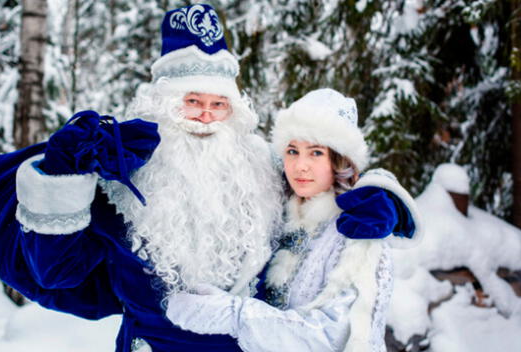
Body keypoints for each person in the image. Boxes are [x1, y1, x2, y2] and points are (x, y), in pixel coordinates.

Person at [0, 4, 418, 352]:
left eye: (219, 104)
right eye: (192, 102)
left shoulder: (258, 167)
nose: (206, 117)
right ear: (163, 104)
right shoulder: (123, 182)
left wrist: (379, 193)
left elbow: (322, 176)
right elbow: (57, 271)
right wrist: (63, 174)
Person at [166, 88, 422, 352]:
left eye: (316, 153)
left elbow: (333, 336)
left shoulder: (359, 231)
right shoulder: (279, 217)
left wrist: (235, 314)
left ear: (340, 160)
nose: (300, 166)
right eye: (292, 151)